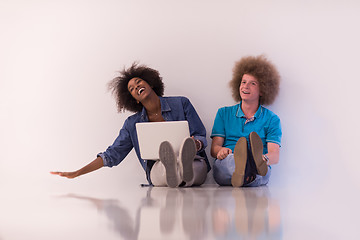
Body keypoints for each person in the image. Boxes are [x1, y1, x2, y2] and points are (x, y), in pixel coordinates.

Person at [51, 63, 210, 187]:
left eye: (139, 82)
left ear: (150, 83)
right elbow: (112, 154)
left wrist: (195, 144)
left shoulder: (181, 103)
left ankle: (182, 167)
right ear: (134, 99)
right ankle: (174, 171)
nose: (137, 87)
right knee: (161, 171)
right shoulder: (132, 124)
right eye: (132, 89)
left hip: (193, 159)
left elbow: (201, 135)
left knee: (193, 168)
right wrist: (78, 172)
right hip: (158, 166)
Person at [210, 55, 282, 187]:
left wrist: (263, 158)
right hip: (228, 163)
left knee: (260, 167)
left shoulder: (272, 119)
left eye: (252, 83)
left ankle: (249, 169)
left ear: (263, 90)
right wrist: (220, 151)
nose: (246, 86)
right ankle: (248, 170)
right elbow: (214, 148)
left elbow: (274, 155)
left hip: (260, 163)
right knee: (229, 161)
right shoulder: (223, 113)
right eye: (243, 82)